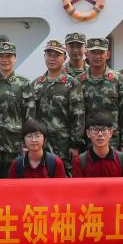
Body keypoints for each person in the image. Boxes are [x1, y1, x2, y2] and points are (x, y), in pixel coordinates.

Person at [0, 41, 35, 178]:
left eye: (9, 56)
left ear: (15, 58)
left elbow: (29, 117)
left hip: (15, 147)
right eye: (1, 56)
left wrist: (26, 144)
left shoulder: (24, 84)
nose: (5, 60)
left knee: (15, 185)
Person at [33, 39, 85, 172]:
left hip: (64, 144)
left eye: (56, 55)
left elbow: (78, 116)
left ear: (64, 57)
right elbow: (31, 116)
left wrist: (75, 144)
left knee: (64, 179)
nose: (52, 58)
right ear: (44, 57)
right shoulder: (36, 84)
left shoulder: (72, 84)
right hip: (40, 143)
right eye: (49, 55)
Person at [81, 37, 123, 156]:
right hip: (87, 141)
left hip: (113, 141)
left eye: (101, 52)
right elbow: (76, 116)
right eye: (93, 52)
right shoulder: (79, 81)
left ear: (108, 54)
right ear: (86, 54)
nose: (97, 56)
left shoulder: (118, 79)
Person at [71, 112, 123, 177]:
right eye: (95, 130)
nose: (100, 134)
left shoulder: (122, 160)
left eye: (104, 130)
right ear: (88, 133)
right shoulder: (79, 162)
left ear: (110, 133)